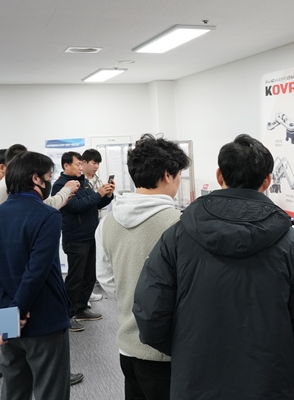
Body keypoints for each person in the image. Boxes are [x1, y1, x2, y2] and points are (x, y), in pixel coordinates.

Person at [133, 134, 294, 400]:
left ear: (219, 176)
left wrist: (186, 349)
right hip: (270, 383)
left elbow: (150, 313)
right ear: (267, 180)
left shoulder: (176, 237)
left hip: (195, 381)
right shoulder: (293, 245)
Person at [0, 151, 73, 400]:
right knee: (51, 391)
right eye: (49, 176)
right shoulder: (48, 216)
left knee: (14, 390)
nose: (50, 182)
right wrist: (17, 313)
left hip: (10, 323)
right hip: (45, 321)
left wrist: (8, 313)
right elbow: (36, 272)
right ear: (36, 179)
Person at [96, 134, 190, 400]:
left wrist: (131, 294)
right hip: (167, 352)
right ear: (168, 175)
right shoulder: (180, 225)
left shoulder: (108, 222)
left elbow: (106, 279)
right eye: (179, 175)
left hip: (127, 347)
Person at [52, 151, 114, 332]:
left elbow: (94, 204)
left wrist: (107, 195)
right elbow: (76, 207)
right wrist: (98, 194)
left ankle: (80, 309)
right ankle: (67, 315)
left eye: (81, 164)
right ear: (66, 166)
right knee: (75, 278)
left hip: (90, 236)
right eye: (78, 164)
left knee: (89, 276)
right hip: (76, 238)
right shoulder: (60, 186)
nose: (81, 167)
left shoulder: (82, 182)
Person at [0, 144, 79, 209]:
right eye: (49, 176)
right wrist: (66, 191)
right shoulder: (8, 186)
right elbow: (37, 208)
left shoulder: (9, 183)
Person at [81, 148, 109, 302]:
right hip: (82, 227)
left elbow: (98, 203)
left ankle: (87, 294)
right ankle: (79, 301)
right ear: (84, 162)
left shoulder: (98, 180)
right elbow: (83, 203)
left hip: (96, 223)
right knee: (81, 265)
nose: (96, 166)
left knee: (91, 263)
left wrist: (108, 195)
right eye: (94, 163)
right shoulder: (79, 181)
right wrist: (99, 194)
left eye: (98, 163)